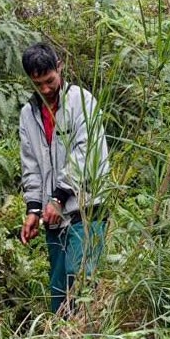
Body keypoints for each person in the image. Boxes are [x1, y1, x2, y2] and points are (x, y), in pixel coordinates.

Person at [18, 42, 110, 314]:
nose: (46, 89)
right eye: (38, 84)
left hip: (86, 206)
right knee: (59, 286)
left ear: (60, 68)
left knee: (81, 278)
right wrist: (34, 209)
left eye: (50, 80)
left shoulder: (82, 101)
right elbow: (31, 164)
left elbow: (88, 152)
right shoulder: (28, 114)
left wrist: (59, 197)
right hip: (52, 215)